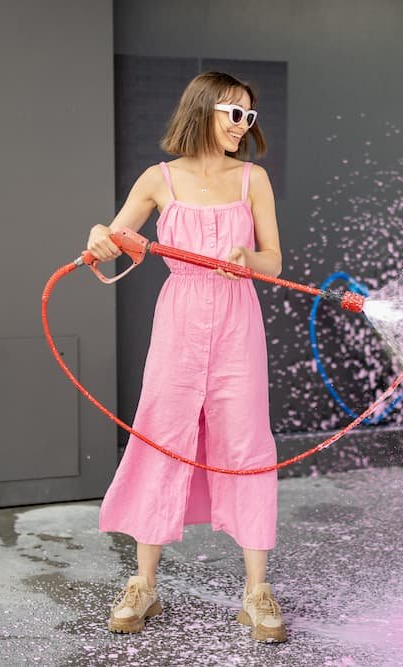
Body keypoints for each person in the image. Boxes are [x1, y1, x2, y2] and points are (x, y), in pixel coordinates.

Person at [86, 71, 286, 643]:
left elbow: (273, 261)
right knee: (160, 432)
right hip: (179, 318)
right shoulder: (158, 179)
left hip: (236, 318)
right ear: (204, 109)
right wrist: (101, 234)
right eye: (234, 113)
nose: (243, 125)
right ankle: (143, 583)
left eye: (249, 116)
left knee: (247, 438)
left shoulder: (254, 179)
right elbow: (114, 240)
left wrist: (248, 257)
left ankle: (256, 591)